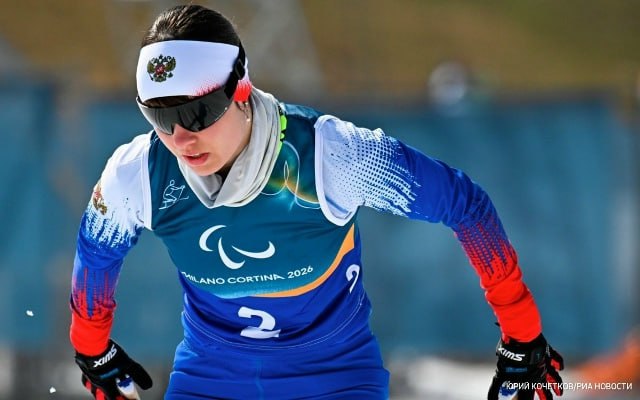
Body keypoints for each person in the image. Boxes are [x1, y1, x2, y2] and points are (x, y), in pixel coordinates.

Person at [69, 5, 564, 400]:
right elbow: (97, 252)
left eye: (198, 112)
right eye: (159, 117)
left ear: (240, 87)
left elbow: (464, 204)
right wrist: (91, 349)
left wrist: (521, 333)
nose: (181, 138)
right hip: (211, 381)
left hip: (334, 380)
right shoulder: (139, 173)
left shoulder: (332, 157)